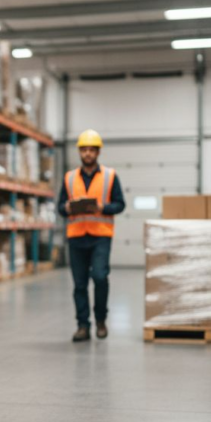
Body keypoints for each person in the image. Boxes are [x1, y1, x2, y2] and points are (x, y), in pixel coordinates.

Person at [57, 129, 125, 342]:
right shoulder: (69, 178)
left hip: (100, 236)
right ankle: (83, 326)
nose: (87, 153)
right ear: (79, 152)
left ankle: (101, 319)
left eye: (91, 150)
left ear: (98, 152)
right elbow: (60, 206)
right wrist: (67, 208)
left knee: (100, 277)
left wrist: (101, 207)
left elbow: (120, 204)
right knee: (79, 285)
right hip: (76, 236)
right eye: (84, 150)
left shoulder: (110, 176)